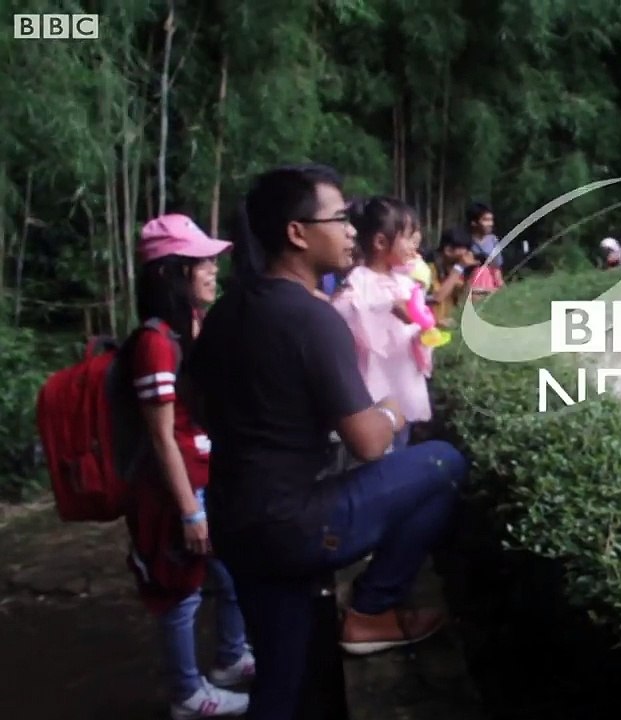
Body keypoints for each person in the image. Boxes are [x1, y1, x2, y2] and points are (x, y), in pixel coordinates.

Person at [188, 164, 467, 720]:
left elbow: (195, 405)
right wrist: (390, 408)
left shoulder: (227, 311)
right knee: (443, 462)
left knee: (283, 679)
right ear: (297, 232)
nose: (350, 231)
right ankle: (372, 608)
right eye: (339, 219)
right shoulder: (312, 318)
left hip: (236, 520)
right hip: (299, 521)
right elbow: (368, 442)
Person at [125, 214, 254, 719]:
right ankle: (185, 693)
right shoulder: (155, 343)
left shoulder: (191, 328)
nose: (212, 269)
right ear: (172, 273)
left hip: (206, 478)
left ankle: (230, 658)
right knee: (180, 592)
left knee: (232, 572)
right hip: (178, 493)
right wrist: (189, 512)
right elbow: (161, 436)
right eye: (201, 262)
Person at [331, 197, 432, 452]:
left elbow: (420, 322)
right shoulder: (358, 281)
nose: (414, 245)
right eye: (408, 237)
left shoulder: (406, 282)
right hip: (376, 386)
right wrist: (387, 306)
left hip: (404, 380)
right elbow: (343, 312)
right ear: (380, 242)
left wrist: (424, 332)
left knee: (402, 440)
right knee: (383, 448)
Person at [461, 201, 504, 286]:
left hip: (490, 284)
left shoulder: (493, 240)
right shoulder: (464, 241)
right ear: (473, 222)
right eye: (485, 220)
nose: (490, 224)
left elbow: (497, 269)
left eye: (491, 220)